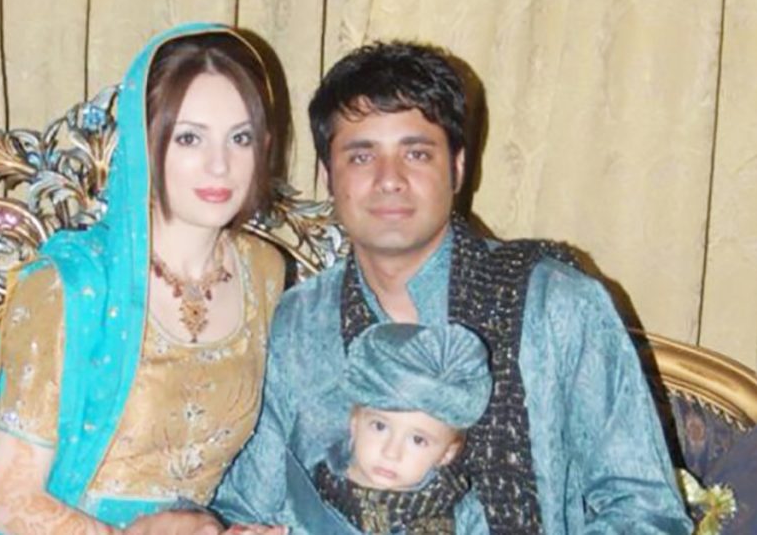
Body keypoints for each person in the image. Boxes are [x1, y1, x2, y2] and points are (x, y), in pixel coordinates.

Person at [209, 41, 694, 533]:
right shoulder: (300, 320)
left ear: (458, 168)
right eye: (361, 156)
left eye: (416, 153)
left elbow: (647, 514)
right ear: (327, 176)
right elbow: (249, 504)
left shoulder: (557, 306)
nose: (390, 179)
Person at [0, 23, 287, 534]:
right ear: (144, 145)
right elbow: (10, 499)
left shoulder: (264, 272)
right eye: (189, 138)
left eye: (240, 138)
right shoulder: (69, 286)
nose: (220, 165)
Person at [313, 322, 491, 534]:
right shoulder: (309, 496)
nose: (391, 453)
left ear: (447, 453)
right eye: (380, 426)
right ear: (355, 422)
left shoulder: (463, 516)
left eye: (418, 440)